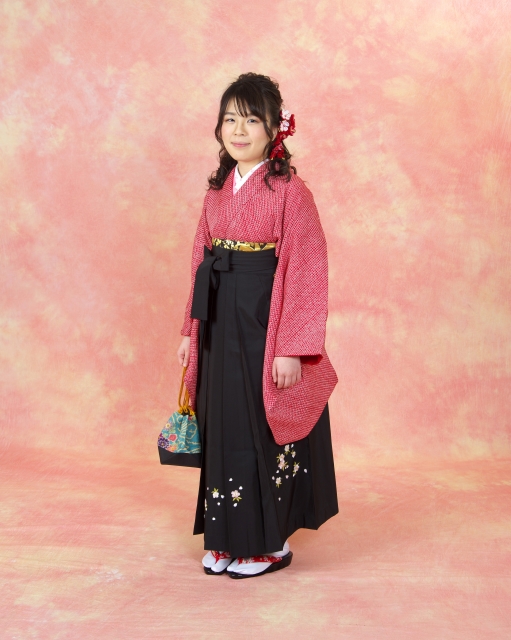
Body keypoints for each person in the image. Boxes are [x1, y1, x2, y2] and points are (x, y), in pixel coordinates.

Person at [177, 72, 338, 579]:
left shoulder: (291, 192)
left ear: (274, 128)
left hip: (265, 319)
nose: (239, 130)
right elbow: (200, 261)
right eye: (230, 119)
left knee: (260, 423)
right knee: (222, 422)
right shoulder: (216, 193)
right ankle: (226, 538)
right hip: (219, 317)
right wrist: (190, 330)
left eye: (251, 120)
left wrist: (293, 346)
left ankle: (269, 544)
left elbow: (307, 268)